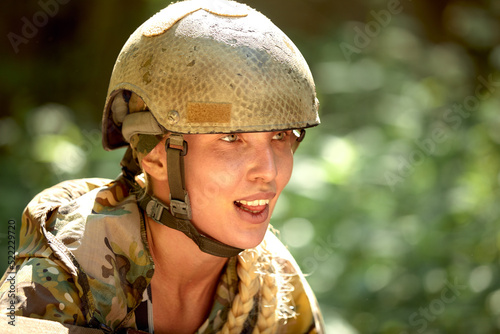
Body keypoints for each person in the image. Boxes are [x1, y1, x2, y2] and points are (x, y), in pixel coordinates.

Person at [0, 0, 324, 333]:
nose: (269, 171)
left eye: (281, 136)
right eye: (230, 137)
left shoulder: (271, 282)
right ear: (154, 155)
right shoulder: (68, 269)